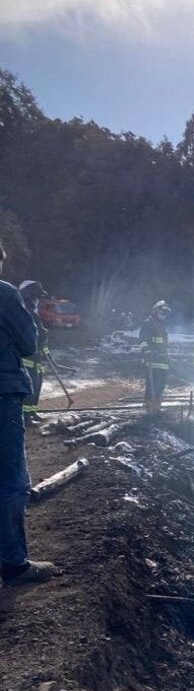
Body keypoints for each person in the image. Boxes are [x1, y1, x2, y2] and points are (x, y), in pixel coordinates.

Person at [0, 242, 55, 586]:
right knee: (10, 479)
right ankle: (14, 563)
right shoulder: (4, 294)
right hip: (2, 393)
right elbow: (28, 342)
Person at [18, 280, 50, 423]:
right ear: (30, 296)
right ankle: (25, 417)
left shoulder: (32, 312)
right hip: (27, 358)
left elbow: (41, 336)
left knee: (37, 386)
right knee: (29, 388)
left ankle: (32, 412)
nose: (38, 300)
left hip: (36, 357)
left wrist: (44, 349)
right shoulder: (25, 312)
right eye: (37, 297)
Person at [139, 300, 171, 415]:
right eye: (163, 311)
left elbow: (164, 344)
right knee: (151, 387)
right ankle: (149, 409)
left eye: (166, 312)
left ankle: (157, 409)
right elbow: (143, 340)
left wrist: (167, 356)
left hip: (163, 361)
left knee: (160, 387)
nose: (165, 314)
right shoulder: (148, 323)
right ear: (156, 310)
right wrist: (147, 351)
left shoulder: (162, 325)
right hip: (152, 361)